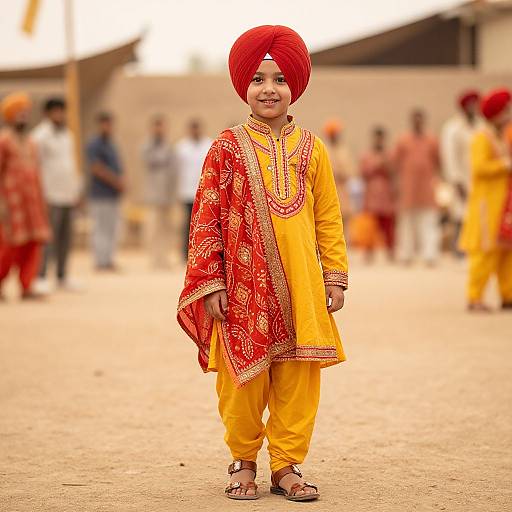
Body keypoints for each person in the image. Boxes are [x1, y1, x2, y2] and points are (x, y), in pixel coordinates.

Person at [177, 25, 348, 502]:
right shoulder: (225, 147)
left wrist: (334, 275)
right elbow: (206, 217)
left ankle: (287, 465)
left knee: (299, 377)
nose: (268, 89)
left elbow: (328, 216)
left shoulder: (313, 149)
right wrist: (211, 281)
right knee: (242, 381)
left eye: (278, 79)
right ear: (243, 88)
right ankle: (243, 460)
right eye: (257, 79)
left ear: (294, 85)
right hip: (242, 285)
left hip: (303, 286)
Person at [459, 88, 512, 312]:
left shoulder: (500, 135)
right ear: (498, 113)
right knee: (485, 252)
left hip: (503, 205)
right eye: (507, 110)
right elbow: (478, 167)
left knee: (506, 252)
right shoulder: (482, 137)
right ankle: (475, 297)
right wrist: (504, 165)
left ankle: (507, 295)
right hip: (486, 206)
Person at [0, 92, 50, 300]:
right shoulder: (3, 142)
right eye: (19, 113)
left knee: (33, 245)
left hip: (32, 205)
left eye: (25, 113)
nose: (23, 117)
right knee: (7, 246)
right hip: (11, 205)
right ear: (10, 116)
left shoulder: (31, 143)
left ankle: (26, 286)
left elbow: (36, 173)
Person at [31, 97, 83, 292]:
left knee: (65, 238)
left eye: (62, 111)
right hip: (49, 195)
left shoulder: (68, 135)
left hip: (67, 194)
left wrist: (76, 190)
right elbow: (36, 168)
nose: (60, 115)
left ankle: (62, 275)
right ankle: (41, 275)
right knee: (47, 238)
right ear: (47, 113)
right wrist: (39, 195)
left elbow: (70, 165)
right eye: (56, 111)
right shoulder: (39, 137)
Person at [394, 109, 440, 265]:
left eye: (420, 119)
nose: (418, 122)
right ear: (411, 121)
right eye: (415, 119)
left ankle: (430, 255)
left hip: (427, 188)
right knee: (406, 223)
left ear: (424, 121)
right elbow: (395, 163)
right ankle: (406, 255)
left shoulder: (432, 140)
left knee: (428, 222)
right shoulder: (403, 140)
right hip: (408, 189)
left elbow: (438, 162)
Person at [440, 90, 484, 256]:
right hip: (461, 179)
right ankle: (459, 251)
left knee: (480, 215)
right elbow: (449, 156)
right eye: (470, 105)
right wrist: (456, 181)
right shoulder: (452, 128)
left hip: (481, 178)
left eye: (475, 105)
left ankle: (476, 249)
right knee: (461, 215)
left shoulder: (482, 125)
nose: (473, 108)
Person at [86, 112, 124, 271]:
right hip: (100, 194)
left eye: (110, 124)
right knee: (100, 228)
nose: (108, 127)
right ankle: (100, 260)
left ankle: (108, 259)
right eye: (105, 124)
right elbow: (96, 168)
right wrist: (116, 182)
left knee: (112, 229)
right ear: (100, 125)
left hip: (112, 195)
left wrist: (121, 182)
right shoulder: (94, 145)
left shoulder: (111, 144)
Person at [141, 115, 176, 268]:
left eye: (162, 126)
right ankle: (153, 258)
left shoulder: (168, 146)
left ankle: (163, 258)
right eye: (157, 126)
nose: (160, 130)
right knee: (153, 228)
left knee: (166, 228)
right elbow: (150, 160)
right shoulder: (147, 146)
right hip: (153, 196)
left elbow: (173, 169)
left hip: (167, 195)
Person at [175, 119, 212, 261]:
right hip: (186, 191)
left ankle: (201, 253)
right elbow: (177, 170)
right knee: (187, 223)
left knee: (202, 223)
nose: (195, 131)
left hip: (204, 190)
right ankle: (186, 254)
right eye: (193, 128)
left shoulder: (208, 144)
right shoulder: (181, 147)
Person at [360, 126, 396, 260]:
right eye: (377, 138)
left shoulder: (390, 155)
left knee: (388, 227)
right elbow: (363, 173)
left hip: (386, 196)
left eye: (381, 139)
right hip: (372, 196)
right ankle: (368, 253)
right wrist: (377, 164)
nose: (379, 141)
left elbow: (394, 172)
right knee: (370, 227)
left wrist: (385, 163)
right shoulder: (367, 155)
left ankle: (391, 253)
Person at [323, 119, 355, 219]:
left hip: (343, 195)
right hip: (328, 194)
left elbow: (350, 172)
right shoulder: (324, 150)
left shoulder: (343, 151)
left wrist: (340, 172)